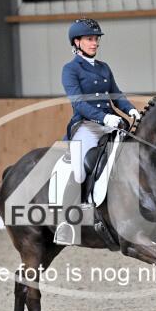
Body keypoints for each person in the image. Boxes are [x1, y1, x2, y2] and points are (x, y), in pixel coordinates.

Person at [62, 18, 141, 189]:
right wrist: (104, 118)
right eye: (89, 39)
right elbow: (79, 103)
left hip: (113, 124)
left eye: (96, 39)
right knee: (80, 171)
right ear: (77, 42)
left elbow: (116, 94)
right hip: (87, 126)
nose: (95, 43)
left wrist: (131, 110)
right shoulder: (71, 69)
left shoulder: (104, 67)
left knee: (135, 155)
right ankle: (79, 201)